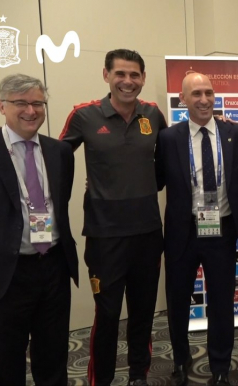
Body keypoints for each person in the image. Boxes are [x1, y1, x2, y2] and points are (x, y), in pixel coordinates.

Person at [59, 49, 167, 386]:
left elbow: (164, 166)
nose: (128, 81)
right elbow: (54, 157)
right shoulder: (84, 115)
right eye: (120, 74)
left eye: (135, 75)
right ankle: (100, 380)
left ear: (143, 79)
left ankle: (138, 376)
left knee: (143, 314)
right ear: (106, 75)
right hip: (105, 238)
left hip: (148, 234)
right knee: (106, 316)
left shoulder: (153, 114)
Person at [0, 74, 78, 385]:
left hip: (52, 269)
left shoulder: (60, 152)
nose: (31, 110)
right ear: (2, 106)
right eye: (21, 103)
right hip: (4, 276)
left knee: (53, 358)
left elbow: (60, 205)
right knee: (6, 361)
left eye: (38, 103)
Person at [156, 72, 238, 386]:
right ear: (182, 100)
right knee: (177, 301)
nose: (203, 100)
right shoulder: (169, 138)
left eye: (209, 93)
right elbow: (153, 179)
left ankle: (221, 366)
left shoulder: (236, 133)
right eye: (196, 94)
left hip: (222, 232)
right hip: (182, 232)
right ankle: (180, 359)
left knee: (222, 303)